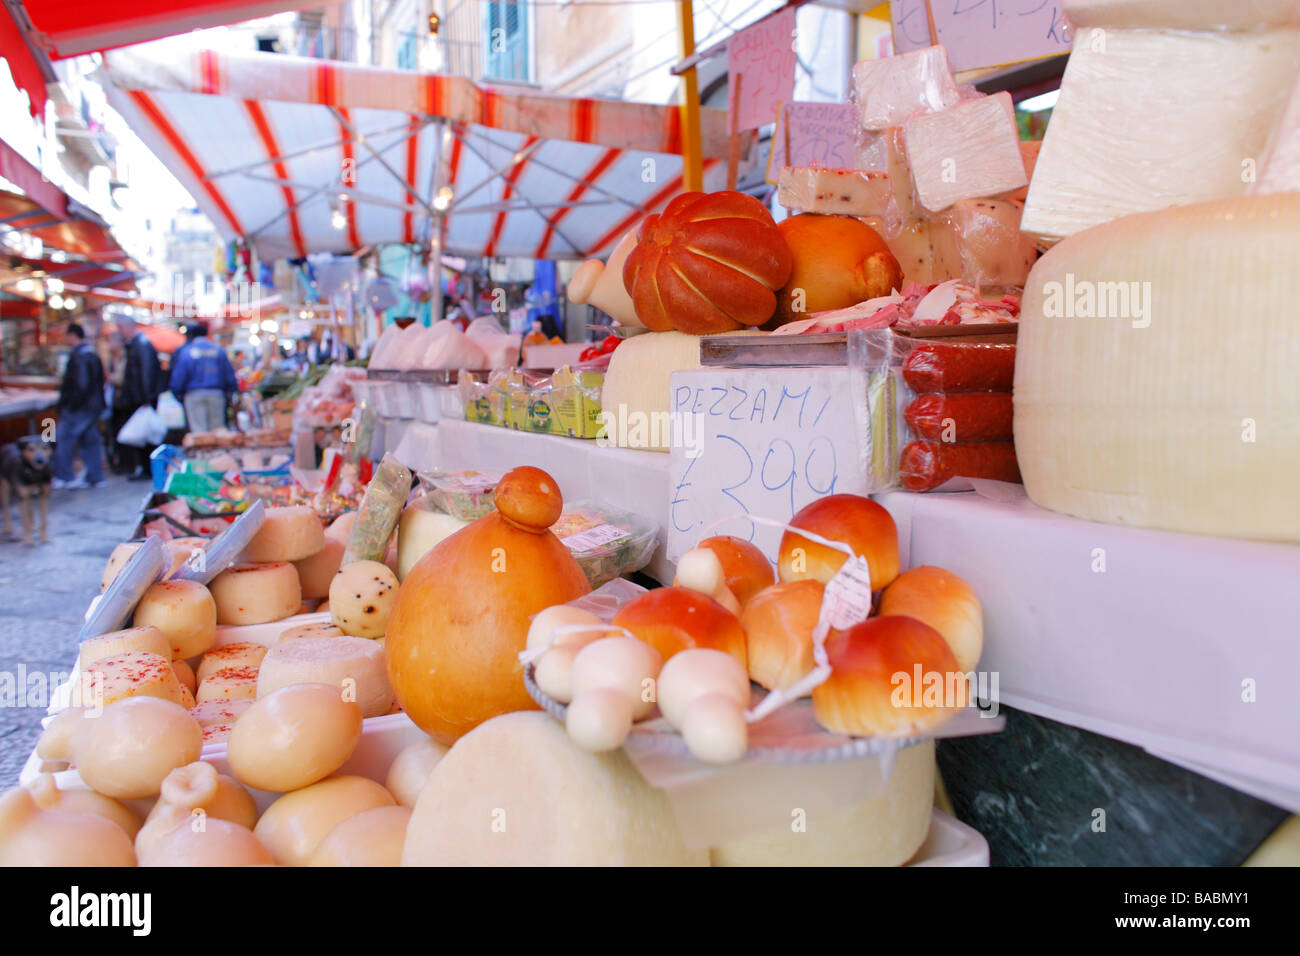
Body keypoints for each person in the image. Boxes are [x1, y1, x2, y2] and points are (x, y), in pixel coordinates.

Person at [51, 323, 106, 489]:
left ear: (72, 335)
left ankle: (64, 476)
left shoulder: (79, 355)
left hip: (79, 408)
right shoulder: (90, 353)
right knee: (90, 440)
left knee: (64, 439)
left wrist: (69, 405)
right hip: (91, 407)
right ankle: (95, 476)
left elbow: (82, 385)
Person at [114, 314, 163, 481]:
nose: (119, 331)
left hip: (141, 398)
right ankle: (145, 468)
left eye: (120, 327)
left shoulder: (141, 345)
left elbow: (146, 373)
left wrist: (146, 398)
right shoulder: (136, 344)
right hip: (140, 397)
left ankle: (148, 469)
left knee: (146, 435)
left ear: (128, 326)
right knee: (142, 434)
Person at [170, 322, 237, 434]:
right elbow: (229, 375)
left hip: (194, 394)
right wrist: (230, 392)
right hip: (217, 394)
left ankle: (202, 452)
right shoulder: (218, 350)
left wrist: (178, 394)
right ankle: (220, 452)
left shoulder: (186, 352)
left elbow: (179, 376)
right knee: (218, 431)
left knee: (199, 432)